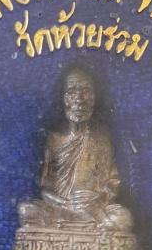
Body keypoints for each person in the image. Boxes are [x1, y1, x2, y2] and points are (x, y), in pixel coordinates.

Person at [18, 67, 134, 231]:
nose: (79, 100)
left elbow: (112, 183)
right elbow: (46, 189)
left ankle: (82, 225)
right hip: (62, 209)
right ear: (64, 99)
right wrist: (65, 203)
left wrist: (97, 198)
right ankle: (83, 226)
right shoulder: (54, 139)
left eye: (86, 92)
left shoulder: (102, 138)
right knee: (26, 210)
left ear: (94, 98)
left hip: (94, 210)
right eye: (72, 92)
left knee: (123, 217)